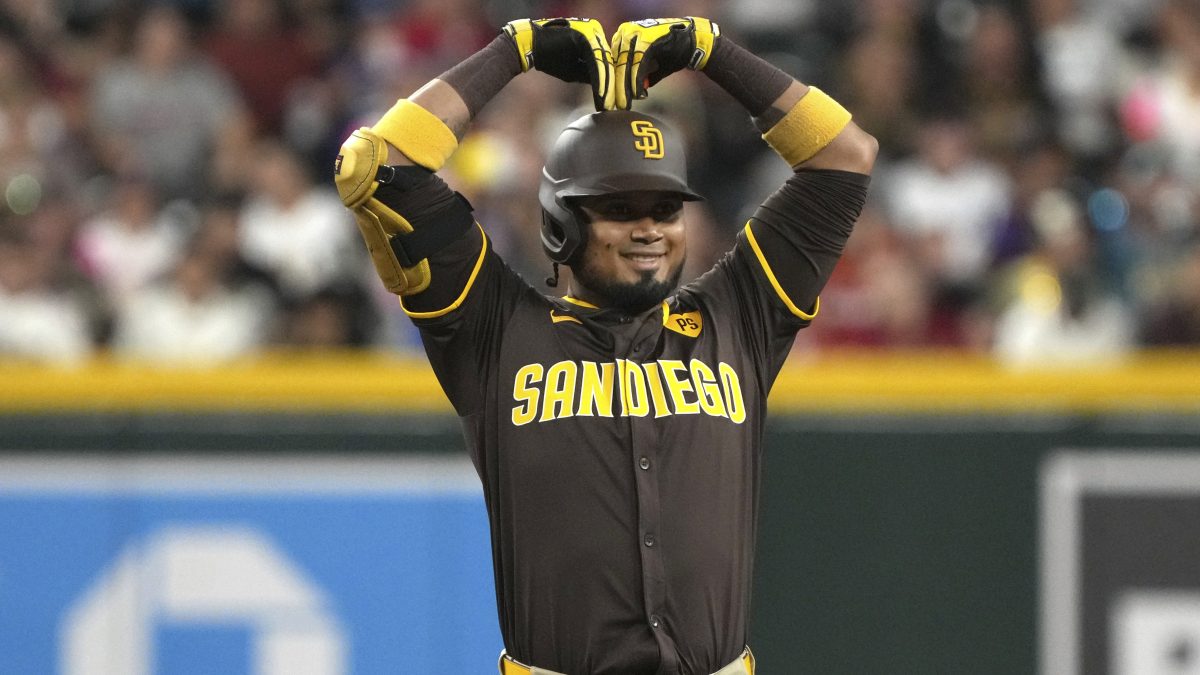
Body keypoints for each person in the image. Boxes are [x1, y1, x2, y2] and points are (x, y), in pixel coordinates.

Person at [334, 16, 877, 674]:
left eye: (665, 209)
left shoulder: (739, 314)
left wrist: (712, 52)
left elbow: (845, 155)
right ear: (560, 225)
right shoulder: (494, 327)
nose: (649, 229)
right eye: (620, 210)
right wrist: (515, 50)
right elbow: (377, 166)